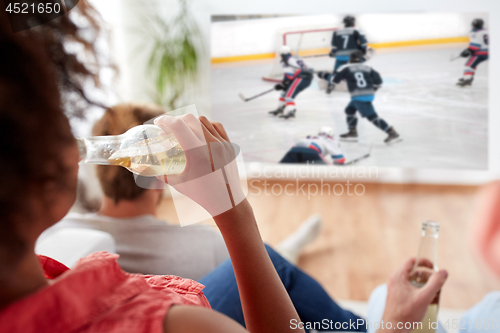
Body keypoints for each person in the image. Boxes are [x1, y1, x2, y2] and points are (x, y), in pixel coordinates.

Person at [0, 3, 449, 333]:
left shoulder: (49, 268)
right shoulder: (182, 326)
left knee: (277, 263)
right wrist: (234, 213)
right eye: (55, 104)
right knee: (278, 266)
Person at [44, 102, 322, 279]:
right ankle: (289, 251)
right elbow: (259, 282)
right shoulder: (207, 245)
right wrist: (234, 207)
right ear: (161, 176)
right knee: (275, 263)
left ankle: (288, 248)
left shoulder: (58, 231)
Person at [318, 50, 400, 144]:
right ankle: (352, 131)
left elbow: (333, 80)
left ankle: (391, 132)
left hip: (358, 97)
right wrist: (371, 90)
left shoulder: (345, 67)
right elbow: (379, 83)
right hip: (367, 95)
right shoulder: (368, 68)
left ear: (350, 59)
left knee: (372, 117)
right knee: (349, 110)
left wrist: (324, 75)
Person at [268, 45, 314, 120]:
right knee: (284, 91)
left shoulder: (286, 61)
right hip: (306, 79)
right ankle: (281, 108)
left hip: (300, 79)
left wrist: (282, 83)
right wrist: (283, 84)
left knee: (288, 96)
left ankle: (291, 111)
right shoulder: (296, 58)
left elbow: (289, 76)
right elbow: (311, 67)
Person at [327, 15, 368, 94]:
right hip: (353, 57)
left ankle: (330, 86)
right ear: (353, 22)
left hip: (340, 57)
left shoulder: (336, 31)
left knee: (335, 73)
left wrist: (332, 52)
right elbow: (364, 43)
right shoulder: (357, 30)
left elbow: (334, 46)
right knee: (360, 70)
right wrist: (363, 50)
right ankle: (362, 85)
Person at [280, 126, 345, 165]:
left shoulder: (309, 137)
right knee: (326, 176)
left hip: (293, 151)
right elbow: (340, 159)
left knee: (279, 173)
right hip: (311, 151)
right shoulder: (330, 140)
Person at [456, 18, 488, 87]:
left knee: (468, 65)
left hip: (479, 53)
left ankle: (467, 79)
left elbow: (475, 45)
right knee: (473, 65)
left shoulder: (474, 32)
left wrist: (468, 51)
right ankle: (468, 76)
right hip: (488, 52)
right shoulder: (485, 31)